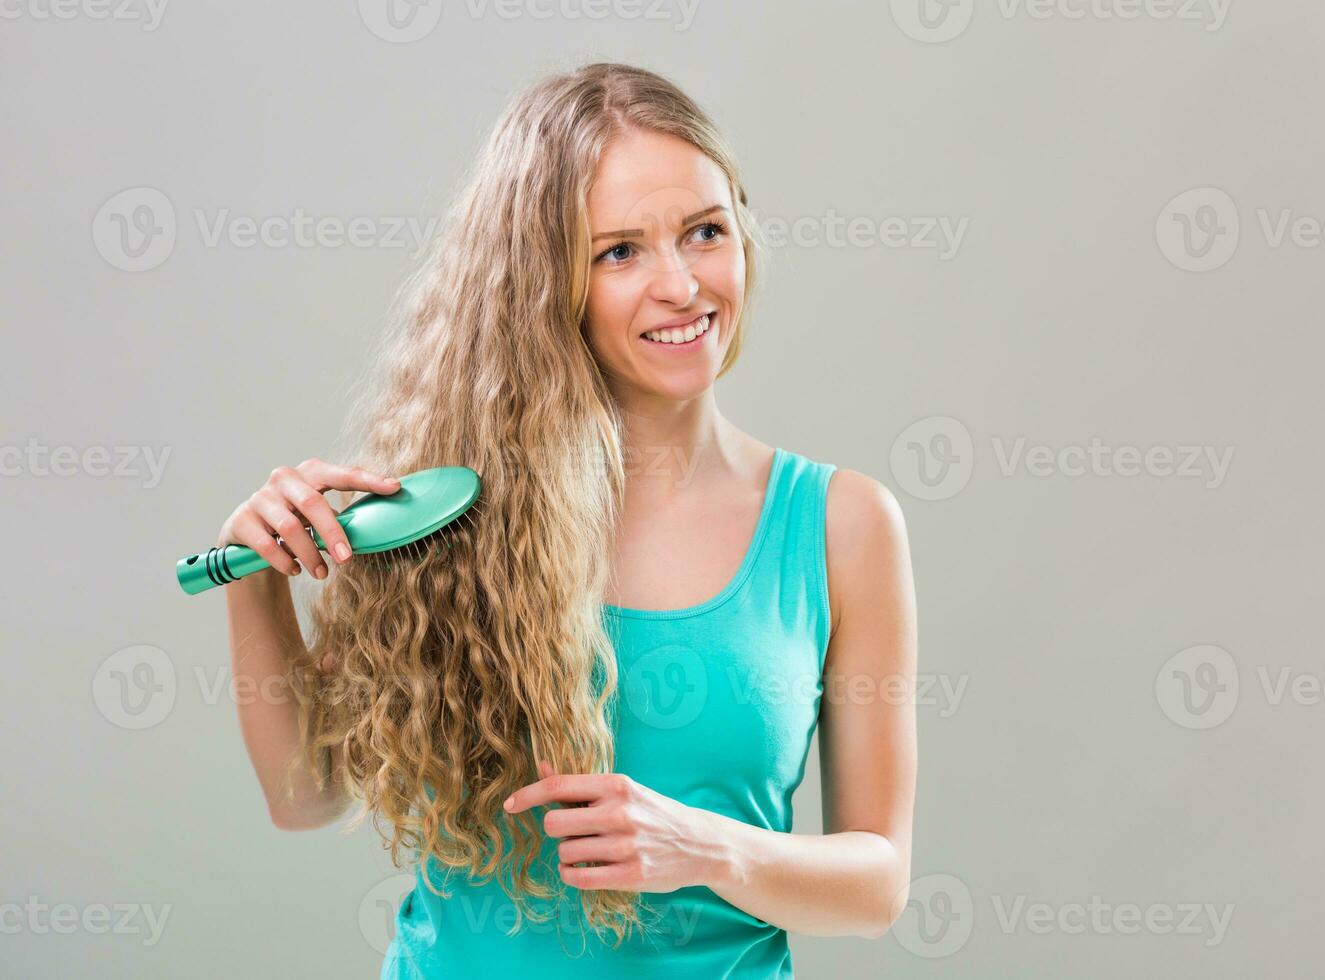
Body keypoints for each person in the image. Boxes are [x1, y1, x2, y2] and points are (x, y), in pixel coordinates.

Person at [216, 61, 917, 978]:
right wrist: (253, 578)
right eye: (618, 251)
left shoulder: (841, 525)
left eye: (704, 232)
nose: (680, 285)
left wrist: (705, 848)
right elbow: (306, 796)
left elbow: (878, 882)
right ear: (543, 285)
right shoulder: (439, 513)